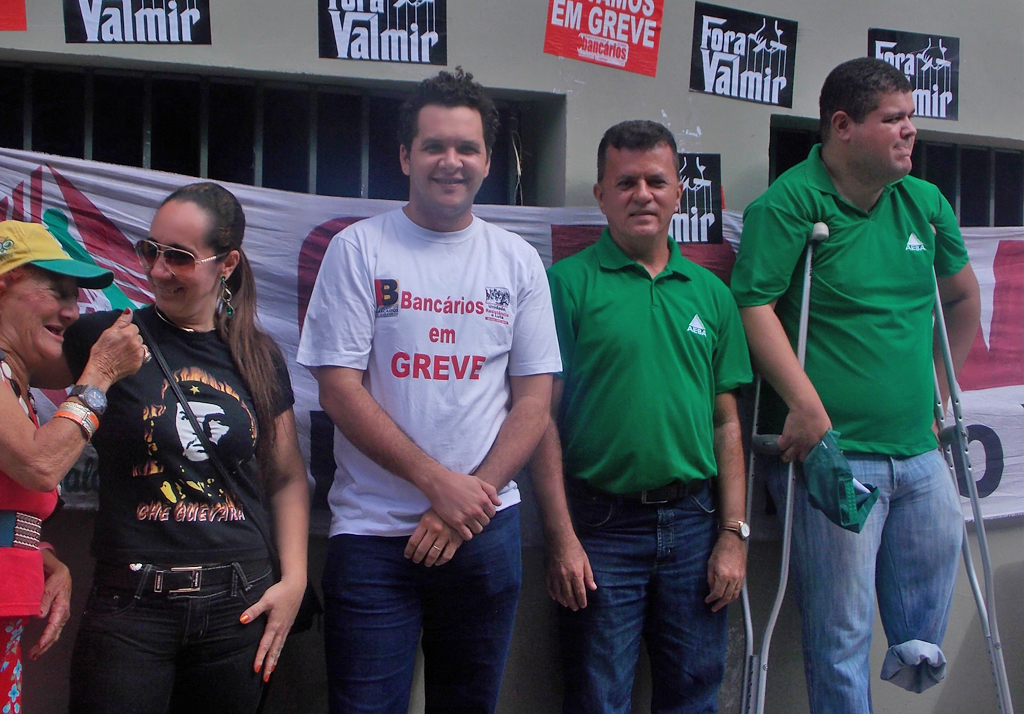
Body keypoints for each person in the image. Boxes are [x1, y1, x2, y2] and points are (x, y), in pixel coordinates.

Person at [296, 67, 562, 714]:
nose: (451, 161)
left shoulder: (517, 261)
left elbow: (535, 401)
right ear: (405, 156)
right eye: (434, 145)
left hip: (485, 533)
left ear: (488, 161)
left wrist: (467, 502)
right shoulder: (358, 250)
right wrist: (438, 484)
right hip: (373, 538)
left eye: (467, 147)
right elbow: (339, 390)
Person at [731, 57, 981, 713]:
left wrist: (938, 395)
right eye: (893, 119)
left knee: (923, 629)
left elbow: (961, 299)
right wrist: (807, 408)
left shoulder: (924, 204)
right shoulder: (791, 203)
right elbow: (753, 306)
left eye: (911, 117)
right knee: (842, 633)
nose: (910, 131)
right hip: (835, 456)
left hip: (919, 452)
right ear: (843, 126)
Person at [63, 182, 310, 714]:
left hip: (239, 604)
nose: (158, 270)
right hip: (131, 606)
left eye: (179, 257)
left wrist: (294, 581)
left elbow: (287, 475)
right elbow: (13, 362)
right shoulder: (105, 336)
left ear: (227, 264)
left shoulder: (257, 355)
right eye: (150, 250)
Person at [532, 120, 752, 714]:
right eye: (625, 182)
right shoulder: (564, 286)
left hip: (696, 524)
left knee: (694, 698)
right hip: (600, 527)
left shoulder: (711, 294)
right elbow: (540, 421)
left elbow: (726, 423)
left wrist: (733, 535)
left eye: (656, 181)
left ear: (679, 193)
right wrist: (561, 539)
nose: (642, 195)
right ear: (601, 195)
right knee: (597, 699)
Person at [0, 220, 144, 714]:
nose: (72, 311)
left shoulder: (15, 385)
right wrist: (99, 374)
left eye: (76, 298)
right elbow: (39, 465)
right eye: (57, 291)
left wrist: (37, 554)